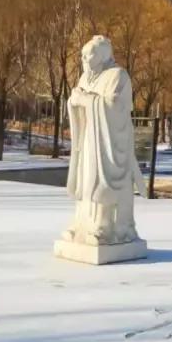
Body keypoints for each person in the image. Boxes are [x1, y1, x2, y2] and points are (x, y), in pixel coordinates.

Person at [62, 35, 143, 246]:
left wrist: (85, 99)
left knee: (100, 180)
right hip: (89, 138)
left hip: (109, 142)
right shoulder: (84, 78)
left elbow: (114, 107)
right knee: (86, 179)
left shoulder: (118, 75)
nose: (84, 59)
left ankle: (104, 226)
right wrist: (73, 101)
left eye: (89, 55)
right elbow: (78, 103)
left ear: (103, 55)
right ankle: (83, 223)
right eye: (82, 55)